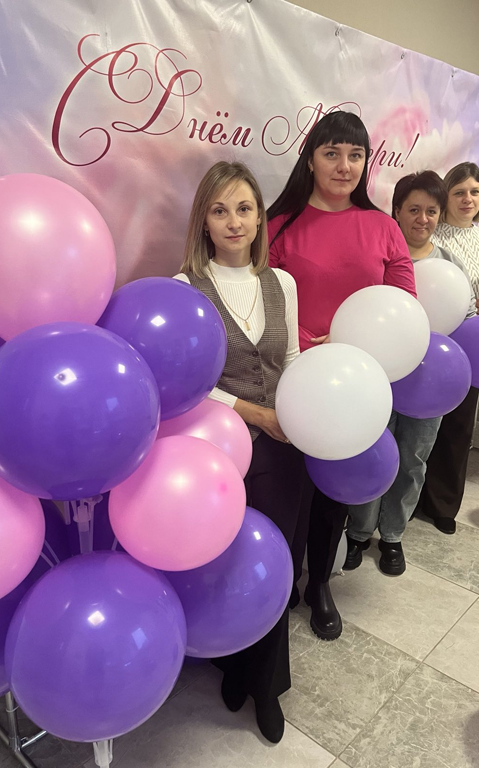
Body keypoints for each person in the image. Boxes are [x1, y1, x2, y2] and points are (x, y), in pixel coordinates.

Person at [267, 111, 415, 640]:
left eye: (355, 155)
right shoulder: (279, 225)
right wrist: (308, 345)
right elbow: (260, 305)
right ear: (311, 159)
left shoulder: (383, 227)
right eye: (332, 153)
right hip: (290, 379)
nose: (344, 165)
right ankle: (283, 579)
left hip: (355, 383)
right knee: (289, 489)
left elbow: (404, 307)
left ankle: (320, 584)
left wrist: (352, 344)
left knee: (334, 493)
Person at [175, 161, 307, 744]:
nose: (234, 221)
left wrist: (299, 414)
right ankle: (232, 663)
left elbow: (292, 359)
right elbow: (189, 382)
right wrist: (256, 414)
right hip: (217, 451)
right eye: (220, 210)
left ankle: (266, 685)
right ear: (203, 221)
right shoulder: (184, 289)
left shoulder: (283, 284)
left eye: (244, 209)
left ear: (259, 219)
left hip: (284, 448)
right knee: (226, 563)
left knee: (274, 562)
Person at [344, 171, 476, 574]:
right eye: (414, 210)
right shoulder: (377, 256)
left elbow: (466, 316)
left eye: (431, 211)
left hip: (428, 381)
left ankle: (393, 535)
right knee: (372, 452)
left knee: (413, 458)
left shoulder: (449, 265)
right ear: (397, 211)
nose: (423, 219)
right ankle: (358, 532)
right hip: (378, 373)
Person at [415, 162, 479, 534]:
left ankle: (443, 505)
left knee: (459, 428)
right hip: (431, 342)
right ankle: (411, 499)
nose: (468, 199)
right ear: (445, 197)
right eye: (459, 192)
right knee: (420, 426)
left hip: (473, 345)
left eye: (475, 192)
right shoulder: (431, 235)